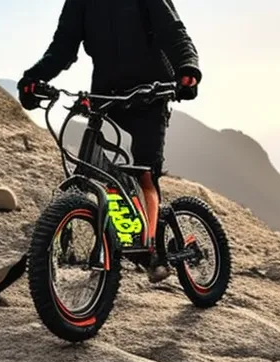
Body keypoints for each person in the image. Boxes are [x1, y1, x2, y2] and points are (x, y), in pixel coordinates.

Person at [18, 0, 201, 282]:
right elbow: (63, 47)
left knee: (145, 173)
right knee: (98, 169)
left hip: (151, 93)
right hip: (106, 96)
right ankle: (109, 237)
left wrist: (187, 68)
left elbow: (174, 32)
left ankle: (152, 251)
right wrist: (34, 77)